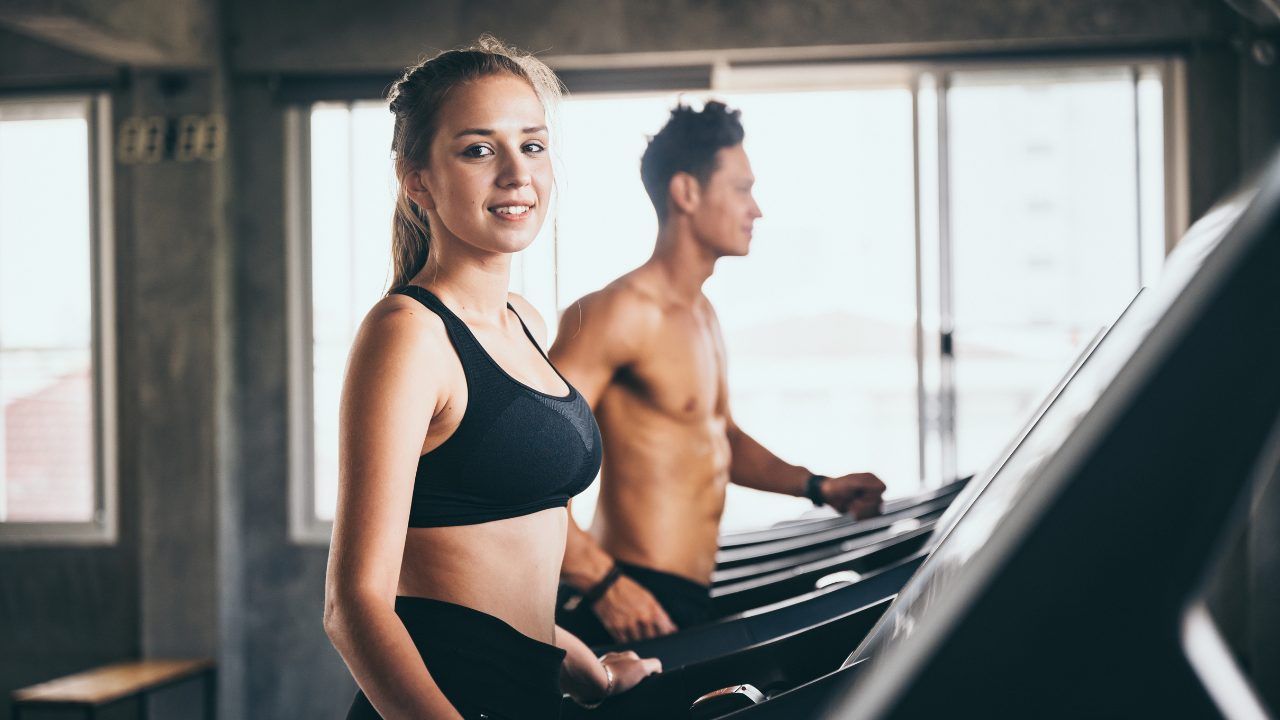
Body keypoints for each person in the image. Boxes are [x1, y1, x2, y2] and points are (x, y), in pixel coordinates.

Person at [323, 38, 660, 720]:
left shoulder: (525, 322)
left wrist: (588, 671)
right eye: (479, 150)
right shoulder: (408, 334)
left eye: (532, 146)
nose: (516, 175)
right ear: (417, 180)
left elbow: (499, 598)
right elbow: (353, 605)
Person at [550, 101, 889, 646]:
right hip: (627, 596)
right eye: (740, 189)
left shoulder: (701, 314)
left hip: (682, 598)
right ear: (686, 192)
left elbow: (719, 438)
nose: (756, 209)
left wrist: (817, 486)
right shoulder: (617, 314)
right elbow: (532, 465)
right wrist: (601, 583)